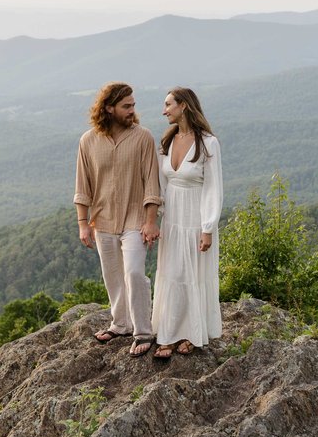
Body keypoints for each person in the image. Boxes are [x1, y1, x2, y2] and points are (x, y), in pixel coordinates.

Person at [74, 82, 161, 357]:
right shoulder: (88, 140)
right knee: (112, 275)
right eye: (126, 106)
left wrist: (150, 221)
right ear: (109, 108)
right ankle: (120, 324)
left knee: (134, 273)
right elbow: (82, 185)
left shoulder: (143, 137)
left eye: (133, 105)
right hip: (103, 221)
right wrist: (82, 223)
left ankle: (143, 330)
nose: (132, 110)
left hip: (135, 219)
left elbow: (152, 183)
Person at [151, 87, 223, 359]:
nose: (164, 110)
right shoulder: (167, 141)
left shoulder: (208, 143)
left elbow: (214, 188)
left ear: (184, 106)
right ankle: (168, 333)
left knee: (192, 275)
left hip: (195, 218)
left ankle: (192, 334)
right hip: (172, 219)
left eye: (168, 104)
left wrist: (207, 227)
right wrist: (156, 218)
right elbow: (162, 182)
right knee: (172, 274)